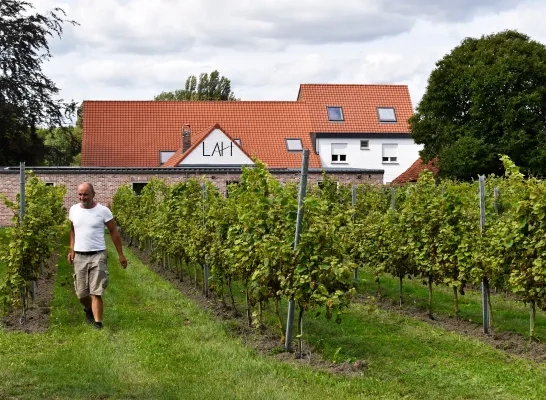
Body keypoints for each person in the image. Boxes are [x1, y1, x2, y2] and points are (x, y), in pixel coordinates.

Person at [67, 182, 127, 330]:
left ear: (93, 194)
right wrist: (71, 249)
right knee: (81, 293)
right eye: (80, 194)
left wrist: (121, 254)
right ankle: (88, 310)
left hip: (98, 255)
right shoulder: (73, 210)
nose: (82, 197)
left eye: (85, 194)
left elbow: (114, 232)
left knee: (96, 291)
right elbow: (72, 230)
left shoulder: (103, 211)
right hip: (80, 256)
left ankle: (98, 323)